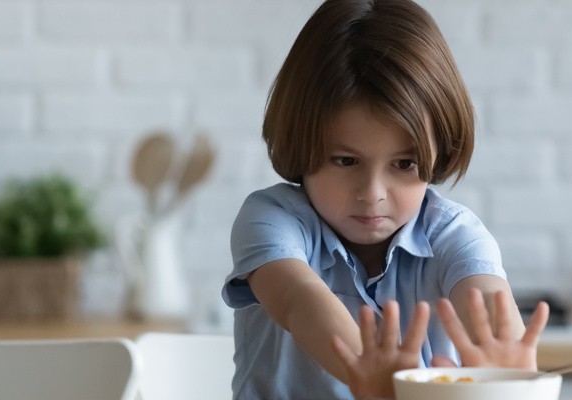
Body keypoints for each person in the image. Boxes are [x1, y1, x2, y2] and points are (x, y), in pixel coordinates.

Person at [222, 0, 549, 398]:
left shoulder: (453, 234)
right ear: (300, 140)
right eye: (346, 160)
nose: (372, 194)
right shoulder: (270, 218)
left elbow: (487, 304)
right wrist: (385, 382)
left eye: (404, 164)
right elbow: (297, 300)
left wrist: (507, 374)